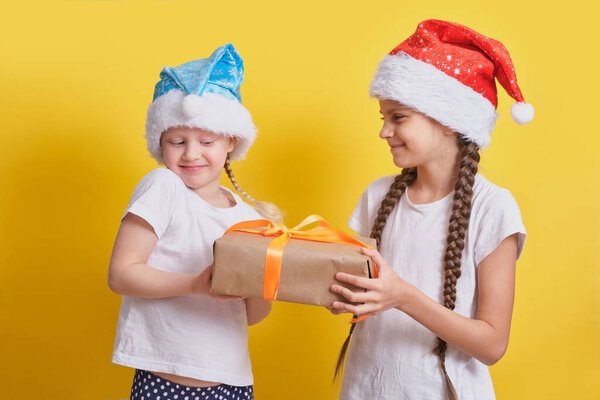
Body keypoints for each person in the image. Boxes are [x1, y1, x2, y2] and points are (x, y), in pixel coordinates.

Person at [329, 20, 531, 400]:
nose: (384, 132)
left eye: (398, 117)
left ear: (449, 121)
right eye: (383, 118)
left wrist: (402, 296)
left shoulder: (493, 208)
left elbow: (492, 345)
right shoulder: (377, 195)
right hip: (366, 388)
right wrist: (343, 294)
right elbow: (362, 287)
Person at [108, 44, 280, 400]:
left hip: (233, 383)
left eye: (206, 140)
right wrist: (196, 284)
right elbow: (121, 273)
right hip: (165, 382)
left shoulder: (248, 218)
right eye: (177, 140)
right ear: (160, 141)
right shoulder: (164, 186)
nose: (191, 153)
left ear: (231, 141)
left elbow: (251, 315)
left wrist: (268, 280)